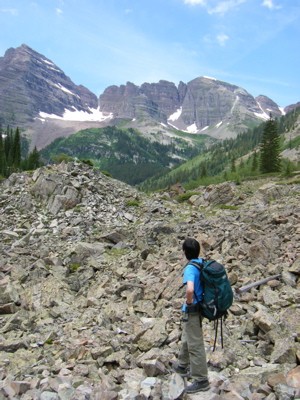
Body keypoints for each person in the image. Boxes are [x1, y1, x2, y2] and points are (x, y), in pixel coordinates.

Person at [174, 238, 210, 394]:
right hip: (201, 305)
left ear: (184, 252)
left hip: (193, 308)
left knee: (195, 343)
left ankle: (201, 379)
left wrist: (188, 303)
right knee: (188, 335)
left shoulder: (190, 268)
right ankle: (182, 365)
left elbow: (190, 289)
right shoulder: (201, 262)